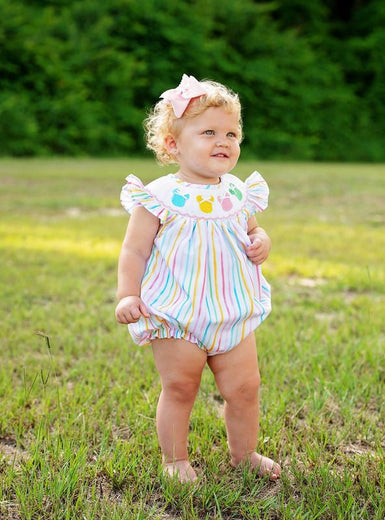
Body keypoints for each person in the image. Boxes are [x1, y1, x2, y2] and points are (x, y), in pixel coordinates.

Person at [115, 74, 281, 483]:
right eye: (209, 132)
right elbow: (134, 250)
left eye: (232, 133)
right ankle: (175, 461)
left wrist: (261, 240)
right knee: (180, 387)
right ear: (174, 144)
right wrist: (126, 295)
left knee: (245, 388)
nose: (223, 141)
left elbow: (252, 230)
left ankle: (244, 454)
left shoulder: (239, 192)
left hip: (231, 311)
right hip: (177, 313)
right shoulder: (158, 196)